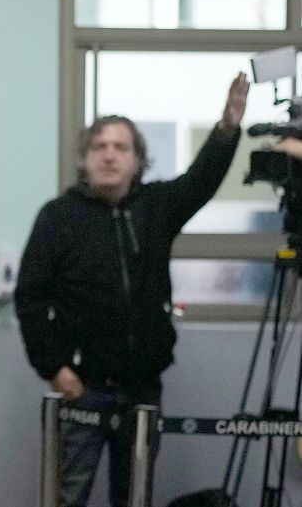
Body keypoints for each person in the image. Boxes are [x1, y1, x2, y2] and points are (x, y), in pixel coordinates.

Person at [15, 73, 250, 507]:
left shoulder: (156, 208)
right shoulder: (58, 216)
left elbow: (201, 181)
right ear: (84, 160)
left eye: (120, 147)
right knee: (68, 497)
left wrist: (227, 130)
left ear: (137, 160)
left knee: (135, 497)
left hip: (142, 388)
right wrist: (54, 367)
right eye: (99, 147)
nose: (109, 156)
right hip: (81, 388)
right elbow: (29, 299)